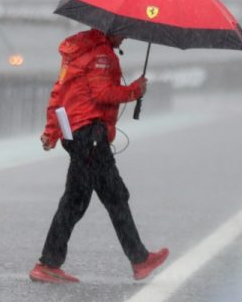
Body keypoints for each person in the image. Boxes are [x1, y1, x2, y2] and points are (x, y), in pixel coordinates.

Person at [29, 28, 169, 284]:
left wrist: (52, 130)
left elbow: (58, 93)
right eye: (123, 33)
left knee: (79, 200)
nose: (125, 38)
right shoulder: (103, 55)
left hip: (76, 134)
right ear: (111, 31)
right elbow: (103, 93)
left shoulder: (77, 52)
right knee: (111, 198)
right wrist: (135, 91)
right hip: (91, 135)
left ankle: (50, 262)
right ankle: (138, 259)